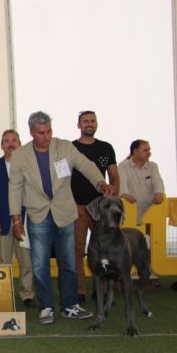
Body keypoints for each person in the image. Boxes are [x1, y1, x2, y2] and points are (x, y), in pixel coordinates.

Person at [9, 111, 114, 325]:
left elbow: (86, 165)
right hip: (38, 215)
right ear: (31, 133)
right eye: (41, 133)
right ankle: (46, 306)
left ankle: (70, 305)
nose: (46, 136)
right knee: (40, 265)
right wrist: (16, 219)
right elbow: (14, 188)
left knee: (69, 262)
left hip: (65, 213)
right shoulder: (20, 155)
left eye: (49, 131)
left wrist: (100, 183)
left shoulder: (65, 147)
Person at [70, 111, 119, 304]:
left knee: (105, 251)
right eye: (85, 121)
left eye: (92, 121)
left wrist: (113, 202)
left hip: (102, 209)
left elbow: (114, 176)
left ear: (96, 124)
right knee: (77, 250)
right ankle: (79, 290)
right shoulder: (71, 148)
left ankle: (105, 290)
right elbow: (63, 180)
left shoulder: (106, 148)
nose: (89, 124)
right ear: (78, 125)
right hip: (79, 208)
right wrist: (74, 205)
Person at [0, 130, 36, 309]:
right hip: (1, 223)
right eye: (6, 141)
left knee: (26, 261)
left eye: (14, 140)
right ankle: (4, 295)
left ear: (20, 143)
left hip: (24, 222)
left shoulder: (28, 165)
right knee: (3, 262)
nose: (10, 144)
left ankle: (27, 294)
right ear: (1, 145)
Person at [118, 139, 165, 225]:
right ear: (135, 151)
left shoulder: (153, 166)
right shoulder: (122, 166)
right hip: (129, 214)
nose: (149, 153)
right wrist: (125, 195)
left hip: (149, 214)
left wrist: (159, 193)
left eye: (149, 150)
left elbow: (157, 181)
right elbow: (122, 186)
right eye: (145, 150)